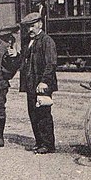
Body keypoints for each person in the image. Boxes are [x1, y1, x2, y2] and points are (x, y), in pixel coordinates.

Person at [12, 12, 58, 155]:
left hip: (42, 85)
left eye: (32, 26)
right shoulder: (28, 41)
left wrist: (44, 81)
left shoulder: (47, 41)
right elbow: (25, 60)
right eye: (27, 28)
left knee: (44, 114)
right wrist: (16, 56)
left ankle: (48, 145)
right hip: (30, 84)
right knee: (33, 114)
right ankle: (39, 142)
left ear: (40, 24)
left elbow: (51, 63)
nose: (29, 30)